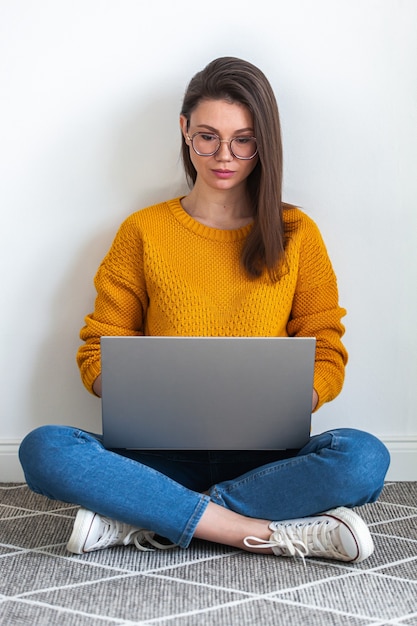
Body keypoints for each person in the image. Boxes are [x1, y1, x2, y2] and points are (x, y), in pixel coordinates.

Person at [19, 57, 390, 562]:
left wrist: (294, 399)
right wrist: (129, 389)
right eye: (208, 137)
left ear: (265, 142)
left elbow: (326, 343)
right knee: (44, 449)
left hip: (267, 458)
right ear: (184, 131)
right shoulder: (144, 231)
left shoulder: (298, 234)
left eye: (244, 140)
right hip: (159, 456)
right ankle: (253, 530)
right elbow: (99, 346)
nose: (225, 155)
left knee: (363, 458)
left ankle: (141, 519)